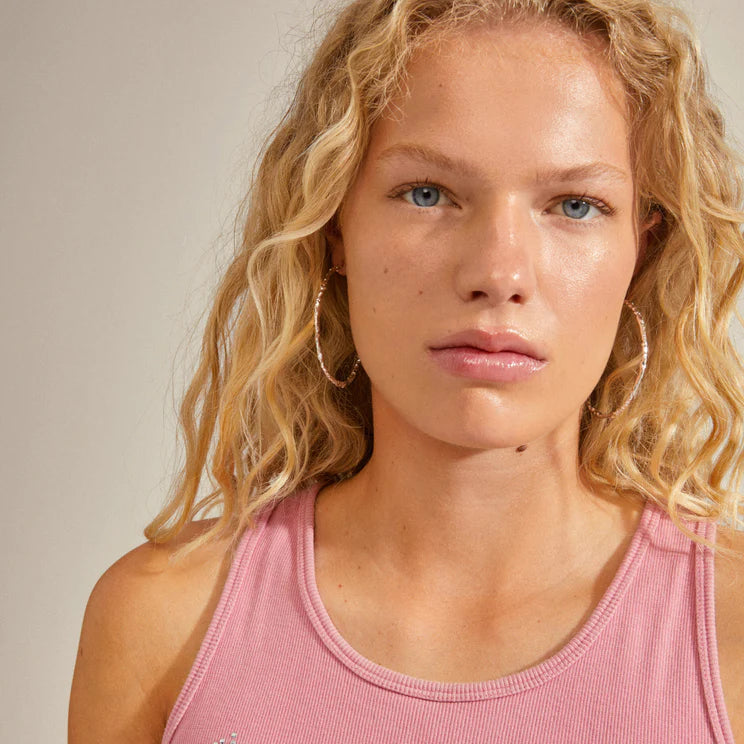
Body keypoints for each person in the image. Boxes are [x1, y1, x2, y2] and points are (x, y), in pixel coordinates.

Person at [69, 0, 744, 742]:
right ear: (334, 227)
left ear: (643, 250)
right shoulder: (164, 623)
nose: (497, 273)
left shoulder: (733, 630)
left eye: (575, 205)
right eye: (428, 194)